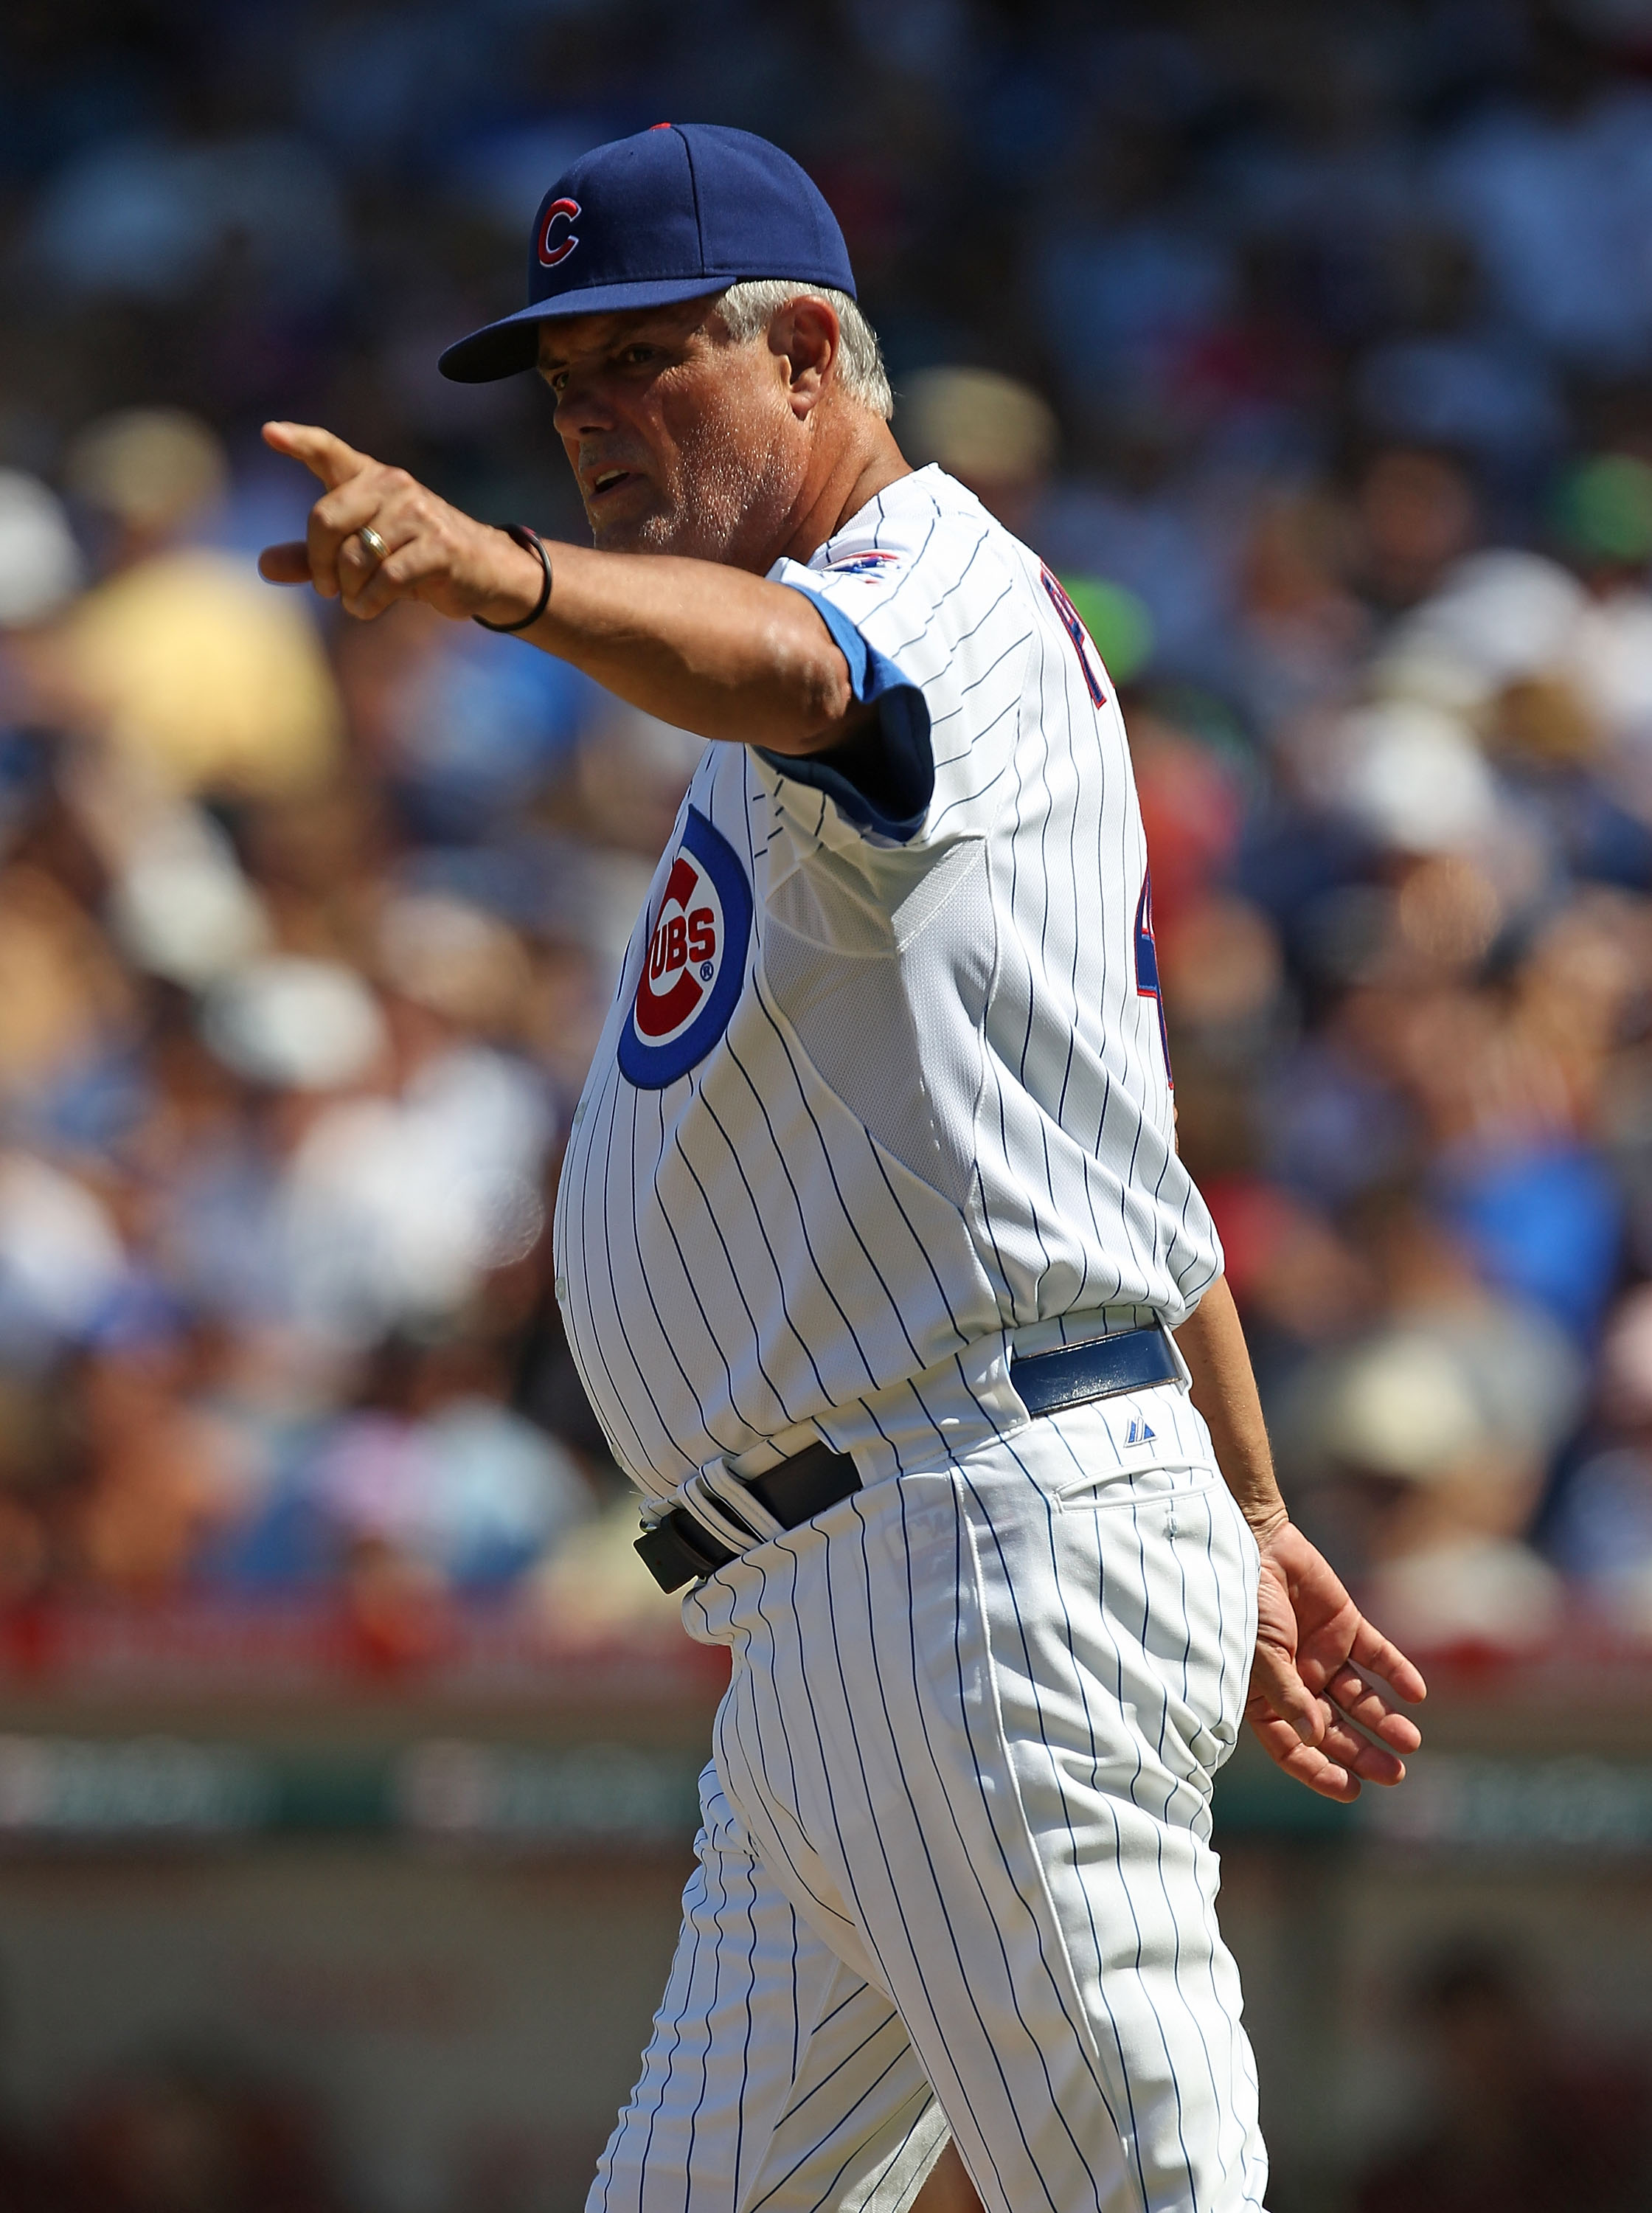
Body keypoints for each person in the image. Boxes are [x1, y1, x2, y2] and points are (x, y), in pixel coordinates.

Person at [261, 121, 1426, 2213]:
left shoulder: (917, 601)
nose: (596, 424)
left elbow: (819, 682)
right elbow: (1122, 1144)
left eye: (645, 366)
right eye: (565, 394)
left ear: (809, 352)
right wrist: (1250, 1503)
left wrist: (498, 579)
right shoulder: (868, 669)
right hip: (858, 1595)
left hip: (967, 1550)